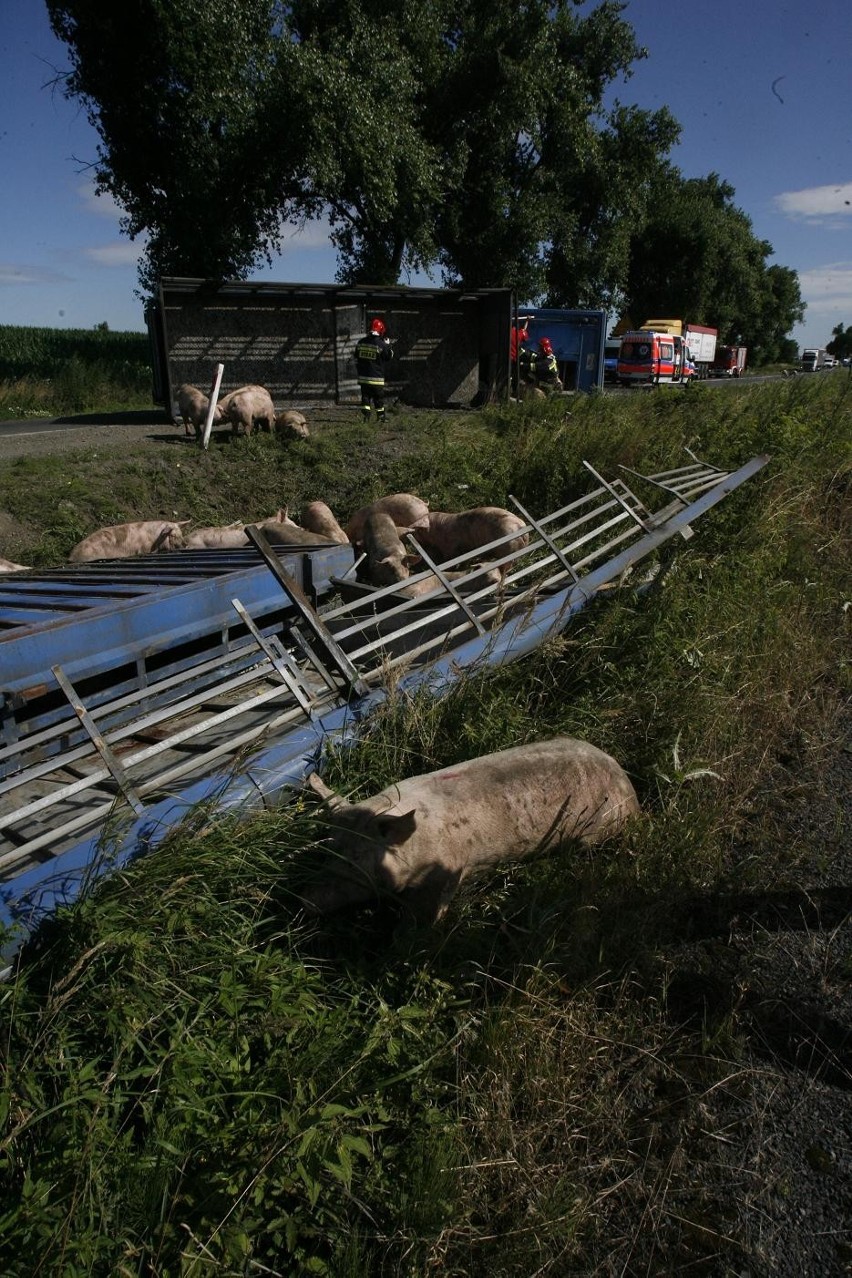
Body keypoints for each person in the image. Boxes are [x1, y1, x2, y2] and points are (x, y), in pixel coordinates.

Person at [354, 318, 393, 423]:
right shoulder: (381, 344)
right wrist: (388, 345)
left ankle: (366, 417)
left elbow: (356, 356)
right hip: (376, 379)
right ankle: (381, 417)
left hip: (364, 379)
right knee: (378, 399)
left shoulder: (361, 342)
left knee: (365, 398)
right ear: (380, 331)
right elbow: (388, 357)